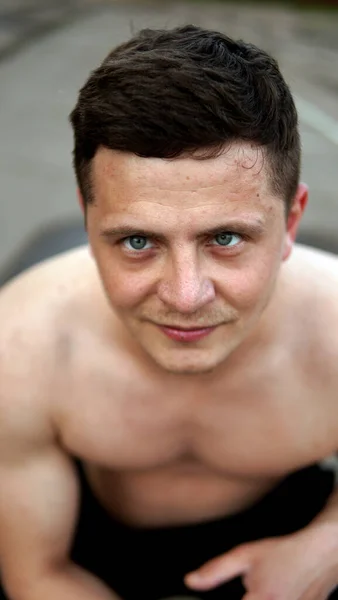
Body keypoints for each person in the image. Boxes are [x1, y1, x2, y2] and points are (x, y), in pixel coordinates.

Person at [0, 23, 338, 600]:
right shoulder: (22, 348)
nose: (185, 298)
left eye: (226, 238)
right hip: (89, 533)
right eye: (137, 241)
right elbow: (38, 573)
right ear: (87, 218)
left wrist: (326, 545)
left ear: (292, 220)